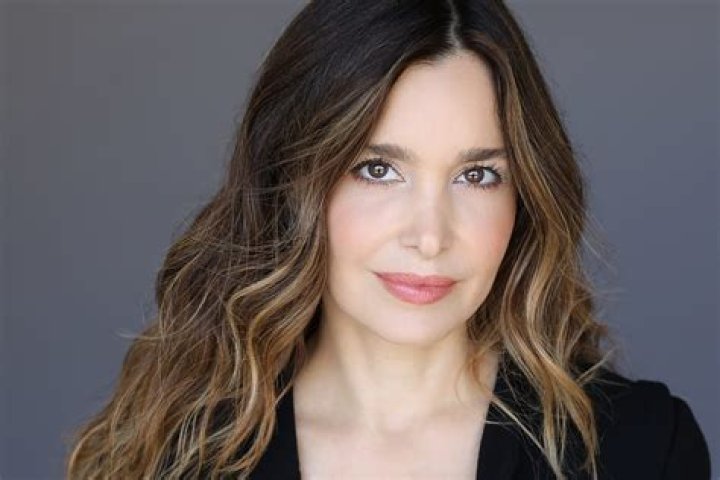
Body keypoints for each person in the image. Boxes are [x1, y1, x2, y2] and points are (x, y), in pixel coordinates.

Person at [65, 1, 711, 479]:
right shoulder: (181, 456)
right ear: (291, 179)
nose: (429, 237)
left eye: (477, 176)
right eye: (377, 169)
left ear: (525, 197)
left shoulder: (641, 449)